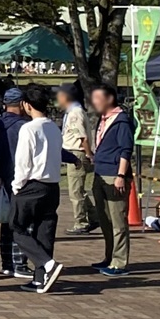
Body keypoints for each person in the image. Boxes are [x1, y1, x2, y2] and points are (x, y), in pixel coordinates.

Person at [11, 85, 66, 293]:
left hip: (32, 186)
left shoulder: (29, 128)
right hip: (52, 185)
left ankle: (48, 264)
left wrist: (17, 186)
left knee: (17, 228)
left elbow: (23, 162)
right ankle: (40, 279)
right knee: (45, 231)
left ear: (26, 105)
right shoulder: (54, 127)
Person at [89, 84, 135, 278]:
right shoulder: (103, 120)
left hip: (114, 174)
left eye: (98, 98)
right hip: (100, 173)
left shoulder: (121, 121)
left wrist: (121, 175)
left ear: (109, 99)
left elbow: (126, 150)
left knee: (118, 221)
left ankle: (119, 261)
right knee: (105, 220)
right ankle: (109, 256)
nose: (95, 103)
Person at [0, 88, 30, 278]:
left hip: (4, 177)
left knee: (7, 221)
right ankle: (20, 263)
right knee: (22, 221)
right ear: (22, 104)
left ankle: (7, 262)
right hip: (22, 178)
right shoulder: (25, 126)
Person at [58, 83, 94, 235]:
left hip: (76, 152)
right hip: (73, 150)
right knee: (78, 189)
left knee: (75, 191)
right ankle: (94, 216)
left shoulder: (75, 113)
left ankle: (81, 222)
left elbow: (82, 136)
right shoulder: (73, 111)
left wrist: (88, 153)